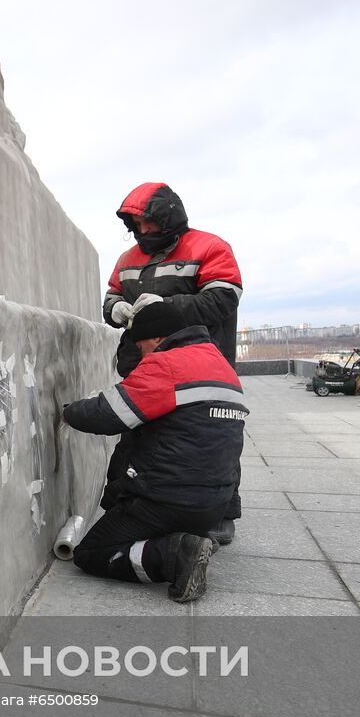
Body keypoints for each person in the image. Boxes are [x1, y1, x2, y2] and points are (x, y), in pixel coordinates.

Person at [61, 302, 248, 603]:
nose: (141, 353)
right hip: (215, 504)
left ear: (158, 338)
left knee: (91, 552)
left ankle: (176, 554)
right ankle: (190, 538)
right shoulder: (221, 364)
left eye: (141, 344)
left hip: (168, 500)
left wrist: (68, 413)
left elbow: (109, 413)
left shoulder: (167, 363)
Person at [103, 182, 244, 545]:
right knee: (137, 437)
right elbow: (112, 296)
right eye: (136, 225)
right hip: (144, 363)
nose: (142, 232)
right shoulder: (128, 259)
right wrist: (114, 309)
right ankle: (127, 504)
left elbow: (222, 301)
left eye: (149, 223)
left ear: (168, 218)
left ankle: (222, 513)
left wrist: (167, 306)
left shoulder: (210, 247)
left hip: (200, 365)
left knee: (210, 441)